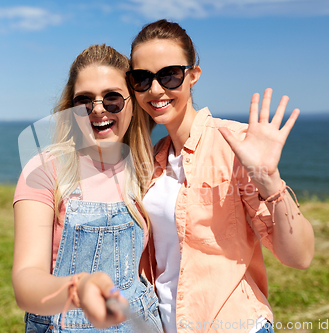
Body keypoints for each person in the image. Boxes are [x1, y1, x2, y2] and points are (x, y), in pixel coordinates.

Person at [128, 20, 315, 333]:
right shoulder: (154, 158)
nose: (156, 89)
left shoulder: (236, 145)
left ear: (193, 76)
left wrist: (270, 182)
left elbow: (299, 256)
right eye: (142, 78)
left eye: (169, 75)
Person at [12, 44, 163, 333]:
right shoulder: (46, 169)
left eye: (112, 98)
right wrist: (77, 290)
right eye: (84, 101)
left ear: (133, 104)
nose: (97, 109)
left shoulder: (146, 169)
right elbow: (26, 282)